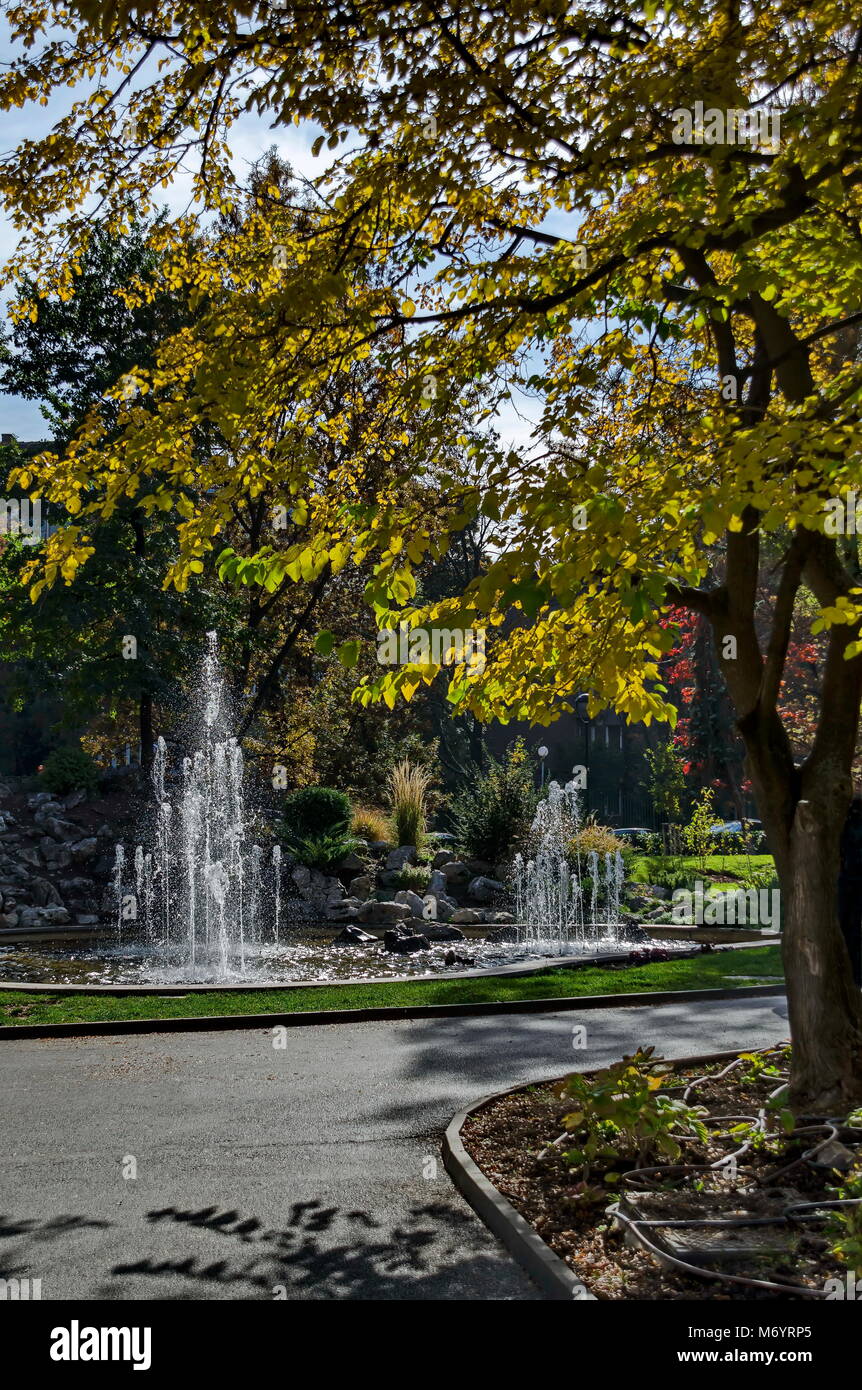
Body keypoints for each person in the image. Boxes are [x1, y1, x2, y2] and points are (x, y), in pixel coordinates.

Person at [838, 796, 862, 988]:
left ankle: (853, 973)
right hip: (850, 878)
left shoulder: (847, 822)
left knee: (849, 927)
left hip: (849, 878)